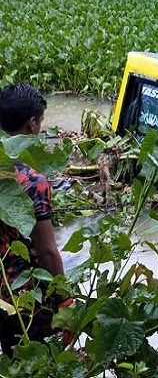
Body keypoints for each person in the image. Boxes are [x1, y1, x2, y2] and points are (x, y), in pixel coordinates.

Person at [0, 83, 69, 358]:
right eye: (40, 122)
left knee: (11, 359)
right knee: (36, 362)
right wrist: (65, 299)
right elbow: (47, 251)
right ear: (31, 124)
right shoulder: (32, 182)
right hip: (27, 301)